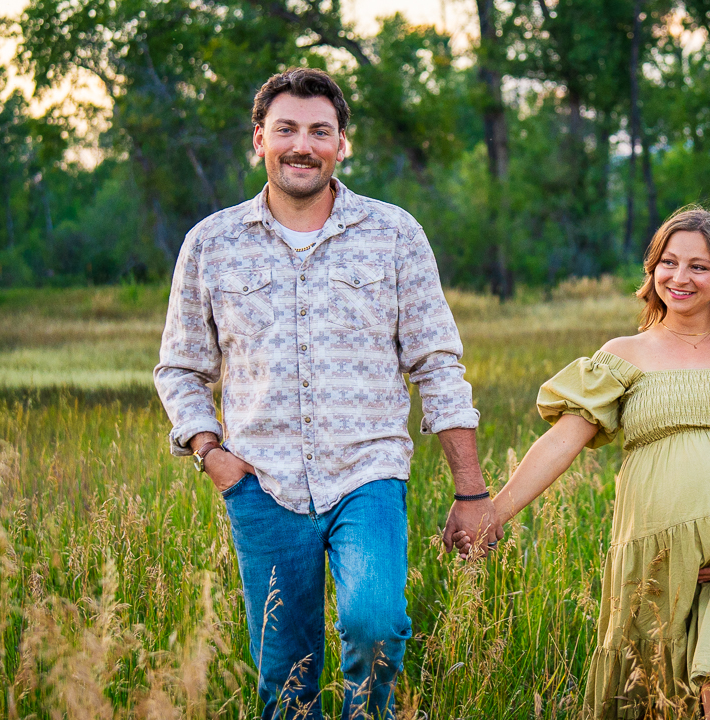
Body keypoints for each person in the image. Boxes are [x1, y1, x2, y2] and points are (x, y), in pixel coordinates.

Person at [154, 67, 502, 720]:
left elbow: (437, 363)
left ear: (342, 144)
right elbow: (180, 369)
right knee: (285, 674)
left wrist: (471, 490)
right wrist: (212, 453)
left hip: (366, 471)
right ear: (259, 139)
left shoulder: (394, 233)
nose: (302, 145)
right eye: (285, 129)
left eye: (320, 131)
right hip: (262, 482)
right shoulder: (212, 244)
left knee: (374, 621)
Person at [456, 207, 710, 719]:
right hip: (655, 559)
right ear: (652, 272)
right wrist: (492, 512)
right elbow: (561, 443)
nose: (681, 277)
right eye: (668, 263)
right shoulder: (626, 354)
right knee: (654, 698)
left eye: (699, 266)